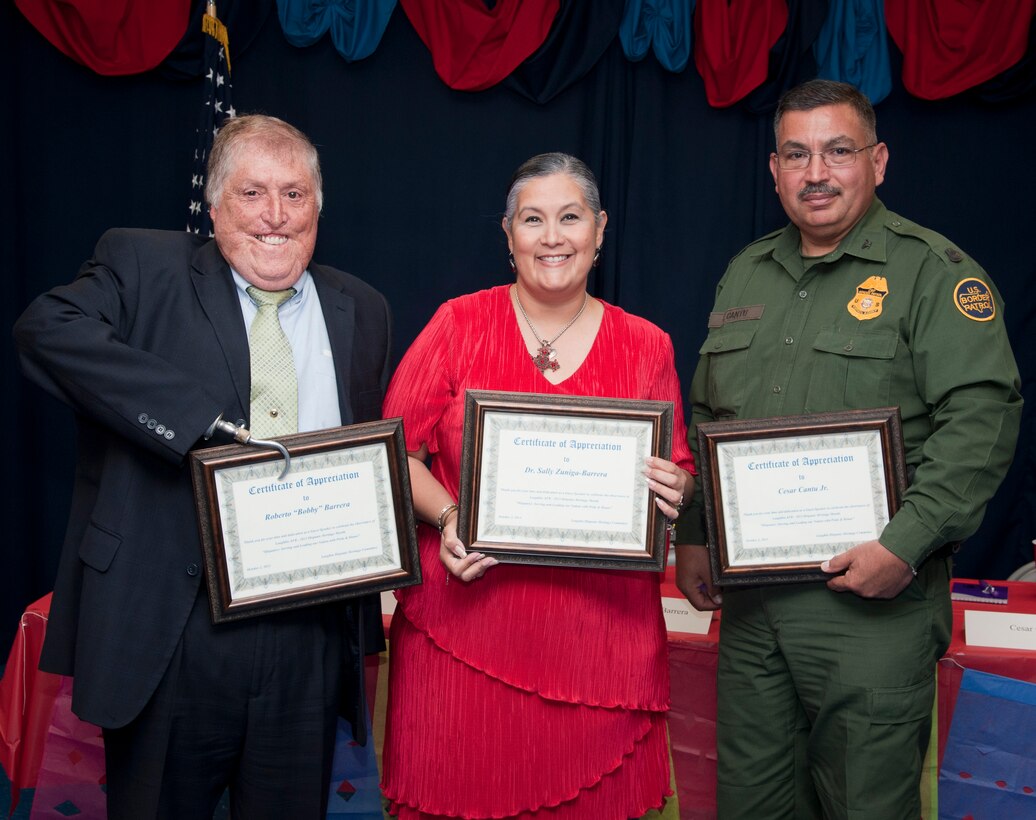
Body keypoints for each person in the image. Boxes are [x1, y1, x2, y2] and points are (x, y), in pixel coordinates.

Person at [13, 115, 391, 818]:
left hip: (306, 636)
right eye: (252, 193)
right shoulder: (141, 265)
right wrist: (191, 422)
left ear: (318, 207)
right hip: (172, 630)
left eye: (295, 194)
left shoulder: (362, 309)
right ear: (215, 207)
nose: (275, 216)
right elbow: (44, 329)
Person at [675, 79, 1023, 819]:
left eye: (838, 151)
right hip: (753, 610)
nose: (816, 173)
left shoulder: (933, 273)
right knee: (751, 807)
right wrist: (699, 534)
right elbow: (711, 413)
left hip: (871, 609)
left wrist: (906, 544)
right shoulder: (747, 271)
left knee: (866, 806)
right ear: (773, 170)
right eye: (796, 155)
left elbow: (982, 417)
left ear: (879, 161)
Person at [379, 152, 695, 819]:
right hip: (462, 636)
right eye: (533, 219)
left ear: (601, 229)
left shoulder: (648, 346)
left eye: (570, 217)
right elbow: (393, 453)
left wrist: (678, 490)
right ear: (508, 234)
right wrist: (450, 516)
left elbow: (679, 470)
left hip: (600, 648)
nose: (553, 236)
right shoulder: (456, 325)